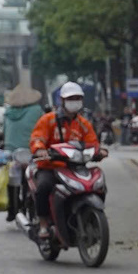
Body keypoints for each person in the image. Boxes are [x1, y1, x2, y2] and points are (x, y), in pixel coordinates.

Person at [28, 82, 102, 239]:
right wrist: (40, 149)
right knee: (43, 187)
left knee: (98, 184)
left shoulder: (83, 123)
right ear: (62, 100)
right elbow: (37, 138)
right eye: (71, 98)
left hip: (75, 168)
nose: (74, 101)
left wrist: (98, 151)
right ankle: (43, 224)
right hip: (50, 166)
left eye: (77, 98)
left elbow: (92, 142)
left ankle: (90, 219)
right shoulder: (48, 120)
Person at [1, 85, 45, 222]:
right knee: (32, 179)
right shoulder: (37, 110)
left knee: (11, 181)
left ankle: (11, 210)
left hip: (10, 152)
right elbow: (44, 128)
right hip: (29, 151)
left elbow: (4, 132)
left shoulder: (8, 112)